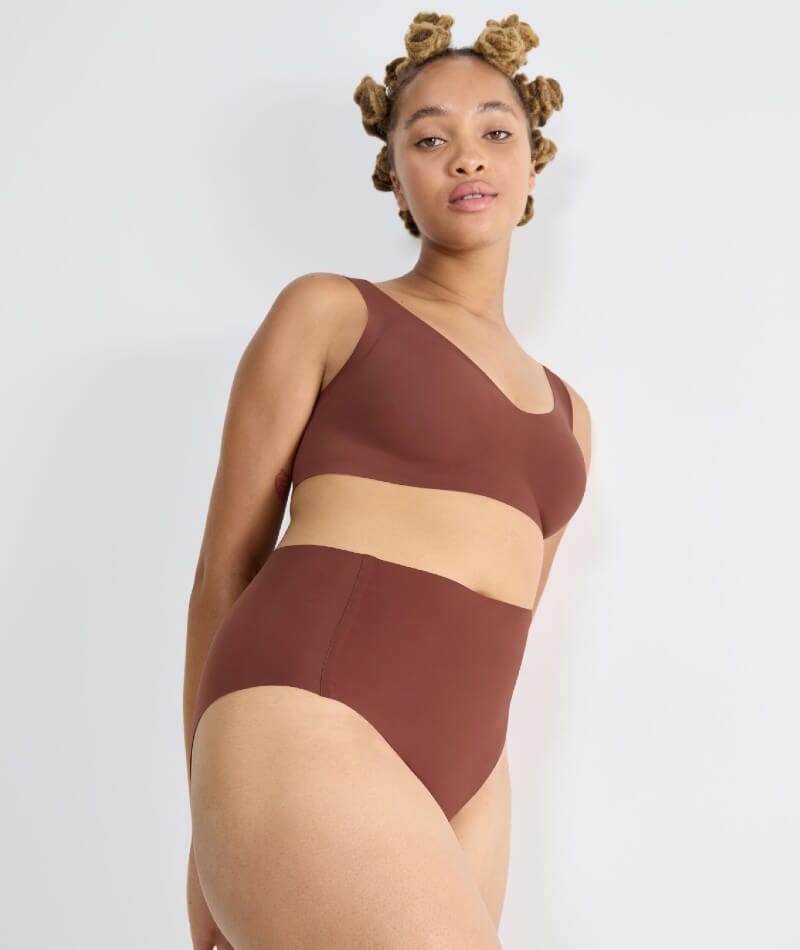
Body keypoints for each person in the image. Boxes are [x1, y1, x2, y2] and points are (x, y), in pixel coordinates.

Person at [184, 12, 592, 949]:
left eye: (496, 131)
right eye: (430, 138)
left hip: (471, 769)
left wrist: (478, 779)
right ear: (397, 179)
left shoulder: (573, 419)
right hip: (302, 707)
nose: (467, 156)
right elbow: (222, 572)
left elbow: (514, 629)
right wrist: (203, 831)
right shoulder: (332, 312)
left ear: (533, 164)